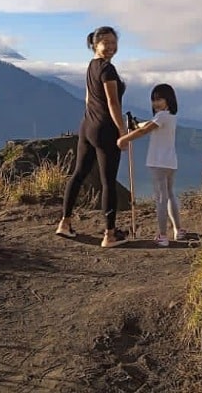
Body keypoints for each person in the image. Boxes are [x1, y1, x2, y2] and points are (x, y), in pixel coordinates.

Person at [56, 26, 129, 248]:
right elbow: (113, 102)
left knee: (79, 174)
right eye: (106, 42)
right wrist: (123, 131)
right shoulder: (107, 69)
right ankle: (109, 235)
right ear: (95, 45)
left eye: (114, 42)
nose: (111, 47)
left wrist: (90, 120)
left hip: (87, 126)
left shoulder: (91, 65)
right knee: (108, 182)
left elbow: (89, 98)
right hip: (105, 129)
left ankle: (64, 223)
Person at [117, 83, 185, 247]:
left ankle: (162, 235)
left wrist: (124, 138)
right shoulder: (169, 117)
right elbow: (148, 125)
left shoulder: (161, 117)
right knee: (169, 195)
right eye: (154, 100)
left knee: (160, 198)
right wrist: (136, 124)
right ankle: (178, 230)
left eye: (159, 99)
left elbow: (145, 130)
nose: (156, 103)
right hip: (170, 163)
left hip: (157, 162)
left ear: (168, 100)